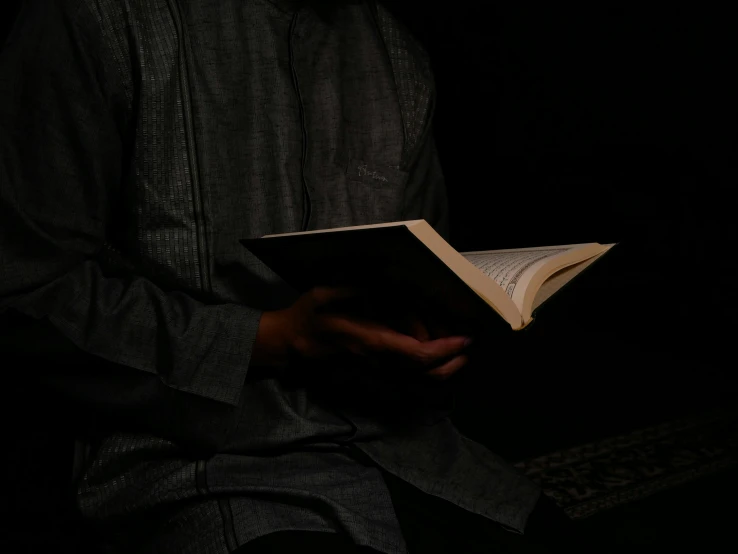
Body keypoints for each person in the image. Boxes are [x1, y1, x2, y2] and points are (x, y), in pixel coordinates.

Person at [0, 1, 582, 552]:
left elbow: (426, 262)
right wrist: (273, 338)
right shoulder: (96, 18)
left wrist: (436, 331)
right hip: (193, 462)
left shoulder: (393, 51)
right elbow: (27, 287)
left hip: (403, 445)